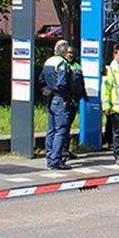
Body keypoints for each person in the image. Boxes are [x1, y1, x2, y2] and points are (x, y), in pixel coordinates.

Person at [40, 40, 73, 170]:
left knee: (51, 130)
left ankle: (49, 157)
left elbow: (41, 79)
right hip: (60, 99)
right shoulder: (62, 63)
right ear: (64, 51)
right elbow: (61, 83)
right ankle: (56, 160)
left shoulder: (48, 61)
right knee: (61, 130)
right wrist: (65, 97)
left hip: (50, 98)